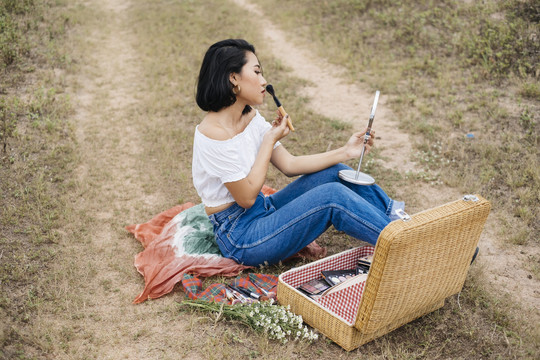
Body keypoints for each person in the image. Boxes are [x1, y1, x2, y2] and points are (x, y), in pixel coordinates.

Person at [192, 39, 404, 267]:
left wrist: (346, 151)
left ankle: (397, 219)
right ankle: (403, 243)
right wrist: (269, 140)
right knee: (332, 197)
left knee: (335, 173)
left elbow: (289, 165)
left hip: (265, 210)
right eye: (256, 72)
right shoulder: (213, 135)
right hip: (242, 237)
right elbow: (246, 198)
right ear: (233, 78)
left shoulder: (250, 117)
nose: (264, 81)